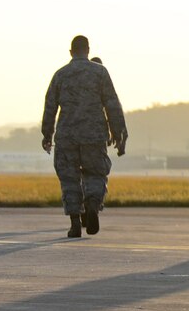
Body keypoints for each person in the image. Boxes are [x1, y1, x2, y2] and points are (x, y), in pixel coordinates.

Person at [41, 36, 126, 238]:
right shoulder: (100, 73)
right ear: (88, 50)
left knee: (69, 179)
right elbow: (112, 104)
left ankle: (75, 224)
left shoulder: (60, 75)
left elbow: (50, 106)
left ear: (71, 52)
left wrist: (47, 134)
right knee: (95, 174)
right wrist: (118, 132)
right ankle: (92, 207)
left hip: (67, 136)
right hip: (94, 135)